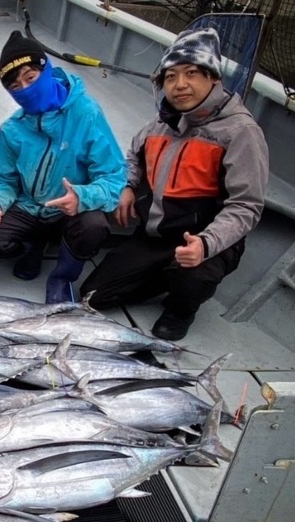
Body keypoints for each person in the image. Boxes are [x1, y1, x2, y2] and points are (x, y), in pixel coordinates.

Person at [81, 28, 269, 340]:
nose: (180, 85)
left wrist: (206, 244)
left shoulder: (241, 132)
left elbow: (247, 206)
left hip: (206, 240)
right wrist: (128, 185)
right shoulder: (159, 122)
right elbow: (133, 156)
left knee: (191, 280)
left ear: (213, 78)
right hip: (156, 235)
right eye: (170, 77)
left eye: (191, 73)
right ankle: (165, 274)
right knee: (93, 296)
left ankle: (181, 308)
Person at [0, 30, 125, 304]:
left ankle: (62, 277)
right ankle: (33, 247)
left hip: (72, 211)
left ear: (47, 70)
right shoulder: (12, 129)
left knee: (95, 226)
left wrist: (81, 197)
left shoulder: (87, 113)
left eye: (30, 78)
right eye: (15, 87)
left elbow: (113, 175)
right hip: (30, 208)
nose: (25, 89)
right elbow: (0, 178)